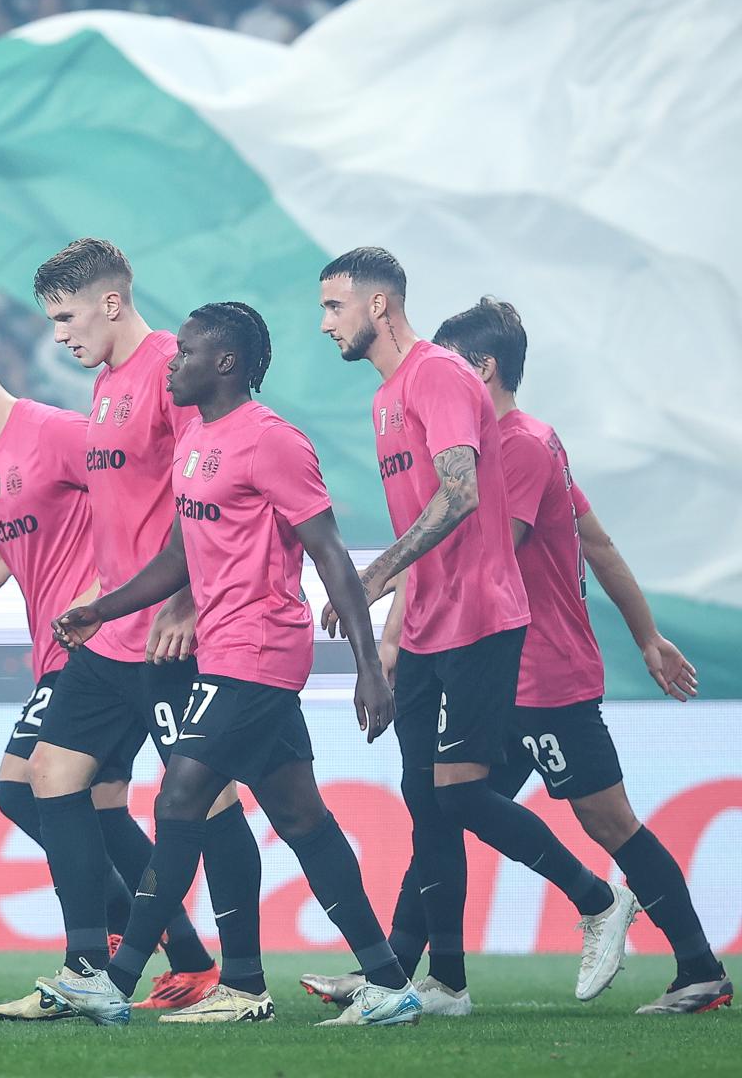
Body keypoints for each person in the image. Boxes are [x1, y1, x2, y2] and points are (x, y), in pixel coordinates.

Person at [308, 299, 731, 1016]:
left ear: (481, 369)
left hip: (540, 670)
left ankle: (691, 963)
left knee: (607, 821)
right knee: (443, 802)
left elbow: (471, 548)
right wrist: (646, 635)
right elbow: (595, 542)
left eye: (446, 363)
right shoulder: (522, 440)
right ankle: (399, 975)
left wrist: (647, 637)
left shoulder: (519, 445)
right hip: (503, 665)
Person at [50, 302, 420, 1027]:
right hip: (225, 649)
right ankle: (387, 982)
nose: (171, 363)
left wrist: (369, 667)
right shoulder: (197, 442)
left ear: (224, 364)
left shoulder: (272, 441)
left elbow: (331, 554)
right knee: (301, 816)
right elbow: (180, 556)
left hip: (259, 652)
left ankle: (115, 982)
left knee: (179, 800)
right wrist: (107, 607)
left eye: (184, 353)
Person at [0, 321, 218, 1022]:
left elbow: (147, 496)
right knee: (96, 807)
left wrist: (116, 592)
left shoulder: (59, 432)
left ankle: (100, 954)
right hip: (62, 648)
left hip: (102, 644)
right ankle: (184, 955)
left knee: (24, 788)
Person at [18, 239, 264, 1022]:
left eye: (66, 316)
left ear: (111, 303)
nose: (59, 334)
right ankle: (83, 966)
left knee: (212, 803)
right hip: (112, 634)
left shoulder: (170, 370)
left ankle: (243, 979)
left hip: (170, 638)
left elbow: (210, 487)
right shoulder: (105, 386)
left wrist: (186, 599)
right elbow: (126, 515)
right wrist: (98, 598)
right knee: (48, 778)